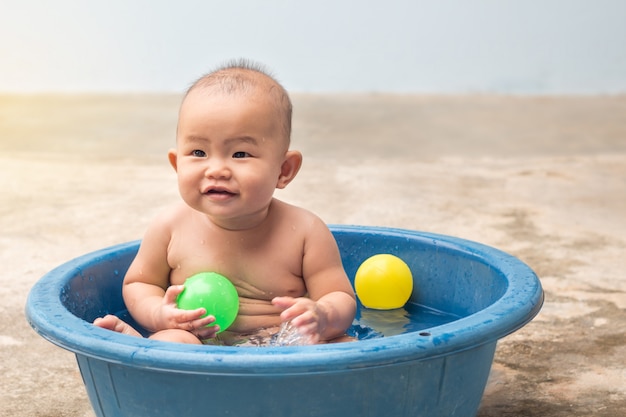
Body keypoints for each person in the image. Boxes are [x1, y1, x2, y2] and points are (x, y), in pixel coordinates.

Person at [94, 60, 356, 345]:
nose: (216, 169)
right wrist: (159, 313)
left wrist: (323, 314)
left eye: (240, 154)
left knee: (345, 345)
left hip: (283, 347)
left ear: (284, 170)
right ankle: (144, 347)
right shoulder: (170, 227)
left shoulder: (306, 232)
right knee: (176, 341)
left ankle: (146, 351)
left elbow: (340, 296)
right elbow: (140, 283)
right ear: (176, 163)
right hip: (200, 342)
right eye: (198, 151)